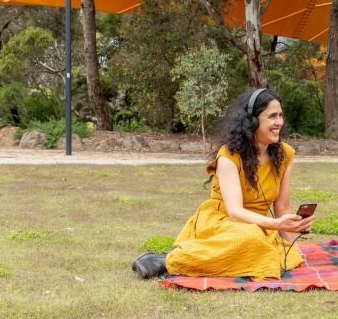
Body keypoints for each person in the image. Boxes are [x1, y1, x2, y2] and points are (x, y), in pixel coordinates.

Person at [133, 88, 315, 280]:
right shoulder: (228, 155)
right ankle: (167, 261)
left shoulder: (285, 154)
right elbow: (235, 212)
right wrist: (275, 224)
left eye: (280, 115)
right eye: (272, 116)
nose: (279, 122)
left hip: (259, 226)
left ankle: (236, 254)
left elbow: (283, 208)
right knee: (252, 240)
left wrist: (291, 230)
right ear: (252, 121)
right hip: (223, 221)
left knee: (286, 257)